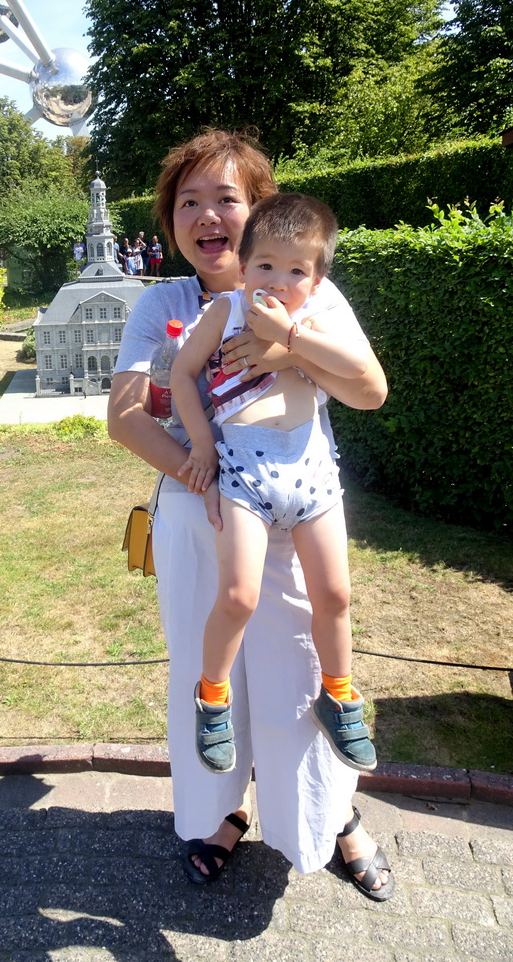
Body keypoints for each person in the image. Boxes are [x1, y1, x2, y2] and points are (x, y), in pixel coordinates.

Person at [108, 130, 392, 901]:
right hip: (208, 510)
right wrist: (206, 477)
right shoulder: (163, 303)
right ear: (169, 219)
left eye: (225, 198)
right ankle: (224, 813)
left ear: (259, 208)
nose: (205, 216)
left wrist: (287, 347)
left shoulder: (309, 289)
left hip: (296, 507)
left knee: (304, 664)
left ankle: (331, 816)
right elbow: (127, 418)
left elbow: (367, 387)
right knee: (211, 676)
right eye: (187, 201)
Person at [171, 192, 376, 779]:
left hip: (312, 470)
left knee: (334, 596)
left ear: (316, 280)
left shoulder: (315, 319)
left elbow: (364, 377)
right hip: (244, 469)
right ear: (242, 265)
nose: (279, 281)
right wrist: (202, 447)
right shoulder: (226, 311)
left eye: (296, 270)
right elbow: (185, 374)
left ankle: (338, 697)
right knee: (238, 597)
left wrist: (291, 342)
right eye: (265, 265)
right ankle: (211, 698)